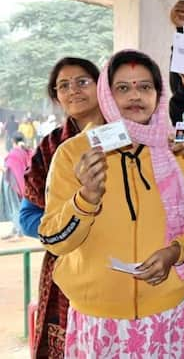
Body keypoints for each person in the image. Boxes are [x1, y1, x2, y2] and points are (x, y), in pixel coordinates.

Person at [38, 50, 184, 357]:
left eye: (145, 87)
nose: (135, 96)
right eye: (122, 88)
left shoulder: (177, 149)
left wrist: (177, 251)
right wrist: (85, 200)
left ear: (159, 94)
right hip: (99, 323)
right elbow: (53, 240)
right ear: (106, 95)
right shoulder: (74, 154)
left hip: (169, 317)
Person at [18, 57, 105, 359]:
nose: (73, 91)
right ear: (56, 97)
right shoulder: (50, 147)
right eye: (64, 86)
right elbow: (27, 218)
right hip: (67, 268)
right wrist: (73, 224)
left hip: (123, 263)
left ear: (101, 86)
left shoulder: (128, 136)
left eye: (82, 81)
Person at [1, 132, 32, 240]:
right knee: (18, 206)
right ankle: (16, 229)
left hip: (12, 184)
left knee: (14, 206)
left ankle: (19, 231)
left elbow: (7, 168)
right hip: (22, 183)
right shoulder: (26, 151)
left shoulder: (14, 152)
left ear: (13, 141)